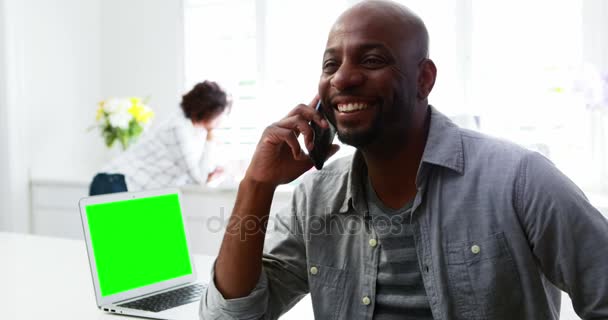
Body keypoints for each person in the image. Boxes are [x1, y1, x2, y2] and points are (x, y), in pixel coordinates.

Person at [200, 1, 608, 319]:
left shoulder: (519, 180)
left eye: (371, 60)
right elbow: (231, 316)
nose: (342, 78)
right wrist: (257, 184)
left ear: (424, 79)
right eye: (331, 64)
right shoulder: (316, 196)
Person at [89, 81, 230, 195]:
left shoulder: (194, 132)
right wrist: (210, 137)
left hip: (132, 189)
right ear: (208, 111)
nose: (221, 121)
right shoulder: (179, 128)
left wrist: (208, 175)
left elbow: (198, 175)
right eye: (220, 115)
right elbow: (199, 178)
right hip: (115, 183)